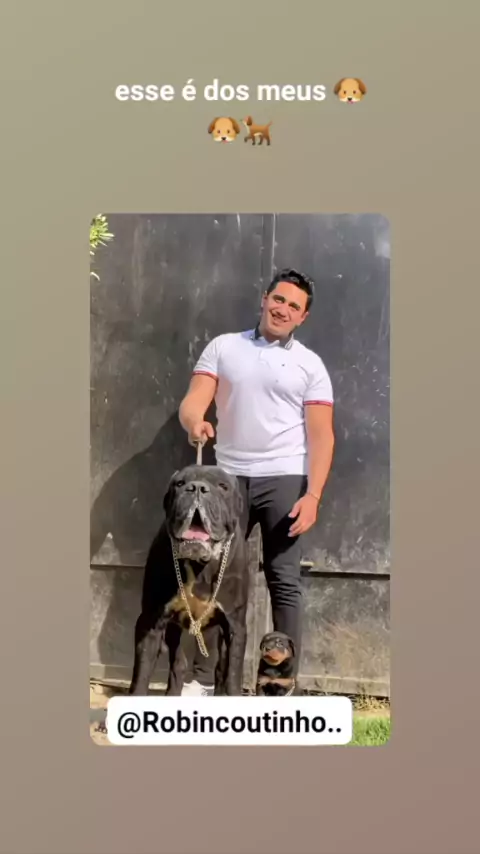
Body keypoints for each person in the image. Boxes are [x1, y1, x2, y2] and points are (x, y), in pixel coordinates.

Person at [177, 268, 335, 695]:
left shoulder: (310, 365)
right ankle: (204, 681)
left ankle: (279, 687)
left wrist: (313, 495)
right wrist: (195, 422)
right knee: (215, 576)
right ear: (264, 298)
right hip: (228, 480)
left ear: (303, 317)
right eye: (278, 299)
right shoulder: (224, 347)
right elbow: (194, 400)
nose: (283, 309)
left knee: (283, 580)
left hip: (285, 478)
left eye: (294, 306)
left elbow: (322, 435)